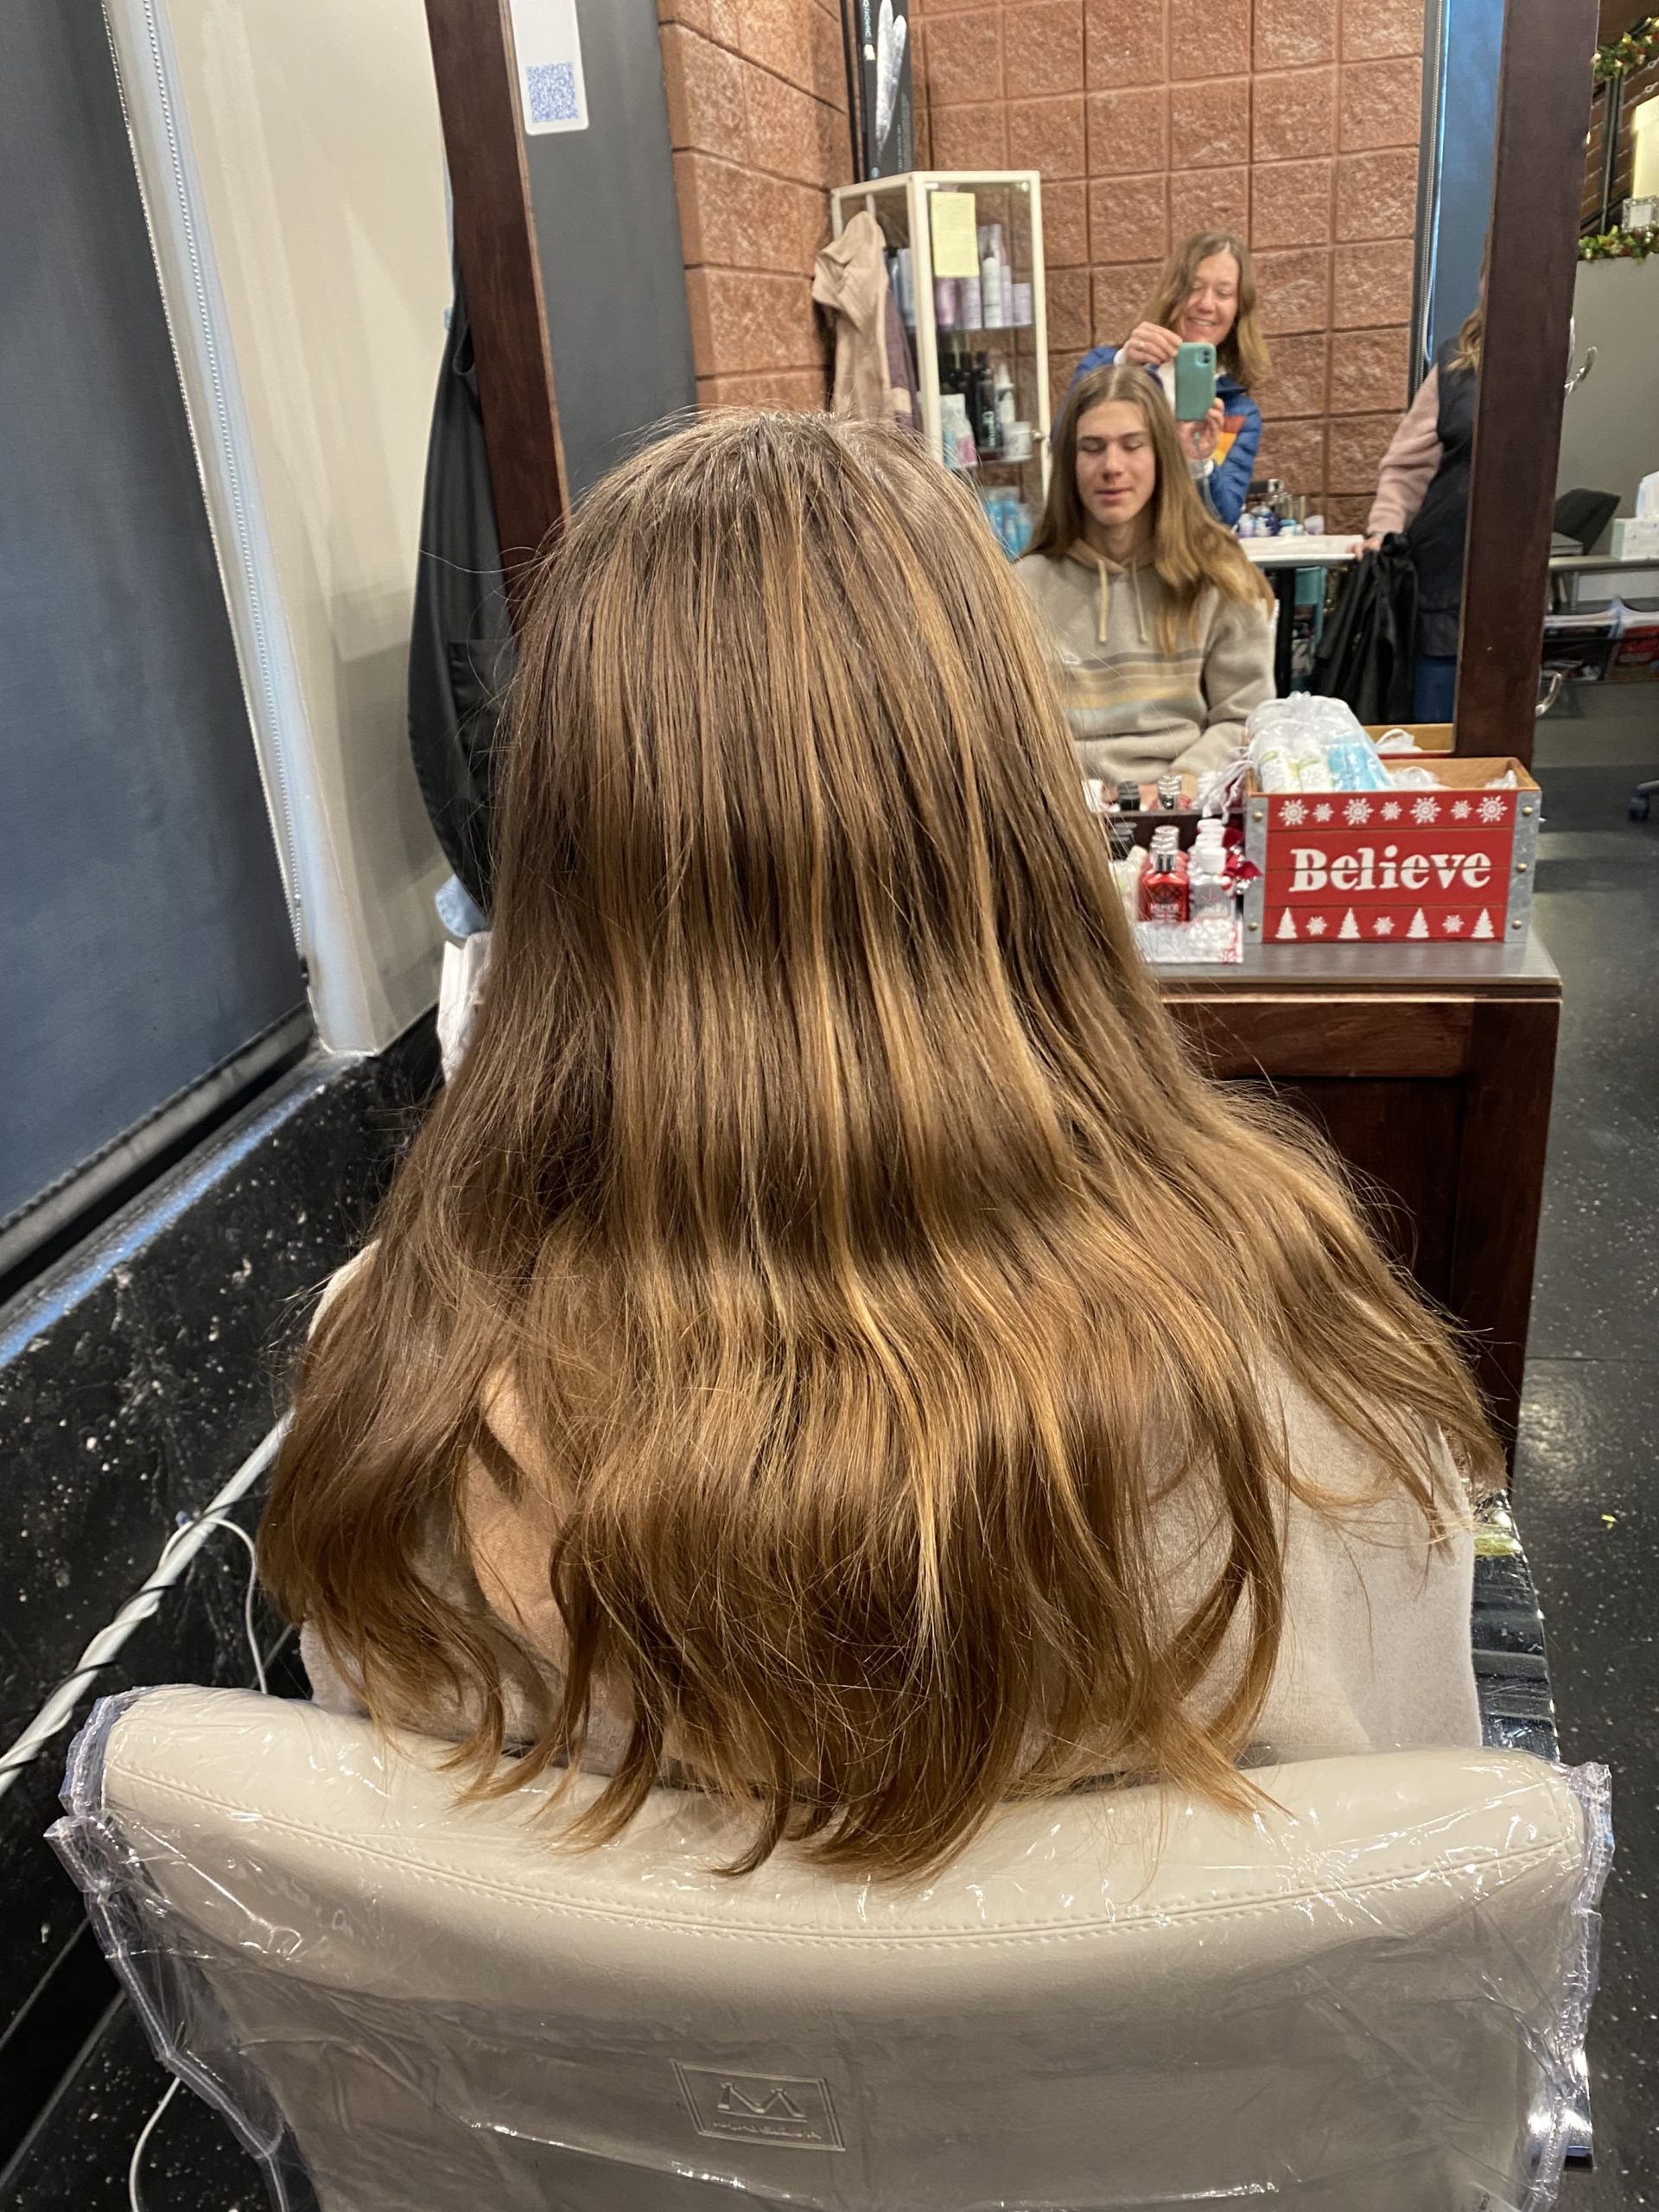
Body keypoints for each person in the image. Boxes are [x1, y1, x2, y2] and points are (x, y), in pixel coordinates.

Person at [260, 410, 1494, 1883]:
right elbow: (1422, 1884)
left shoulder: (392, 1386)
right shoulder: (1295, 1387)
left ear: (557, 845)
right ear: (1016, 811)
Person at [1016, 361, 1275, 785]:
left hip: (1187, 805)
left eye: (1132, 445)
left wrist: (1178, 787)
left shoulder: (1218, 578)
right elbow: (1000, 728)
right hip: (1062, 804)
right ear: (1068, 464)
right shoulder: (1021, 587)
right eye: (1092, 448)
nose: (1112, 466)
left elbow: (1245, 717)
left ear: (1161, 456)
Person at [1075, 231, 1269, 528]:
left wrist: (1198, 464)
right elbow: (1061, 448)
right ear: (1172, 292)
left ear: (1238, 310)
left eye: (1223, 293)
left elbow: (1222, 519)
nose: (1206, 304)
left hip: (1184, 556)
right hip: (1109, 550)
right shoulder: (1105, 365)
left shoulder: (1237, 414)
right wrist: (1122, 369)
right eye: (1194, 287)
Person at [1363, 301, 1482, 723]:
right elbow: (1406, 468)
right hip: (1442, 587)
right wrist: (1384, 532)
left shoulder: (1550, 358)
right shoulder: (1455, 364)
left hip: (1511, 589)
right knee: (1431, 729)